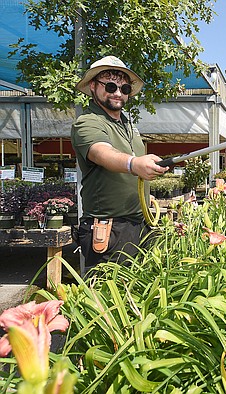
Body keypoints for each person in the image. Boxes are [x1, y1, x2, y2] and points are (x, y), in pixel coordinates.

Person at [71, 55, 169, 272]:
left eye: (124, 88)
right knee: (111, 298)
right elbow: (102, 152)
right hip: (111, 228)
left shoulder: (128, 125)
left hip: (141, 224)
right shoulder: (87, 122)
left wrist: (143, 194)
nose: (117, 92)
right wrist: (134, 164)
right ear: (93, 86)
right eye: (111, 85)